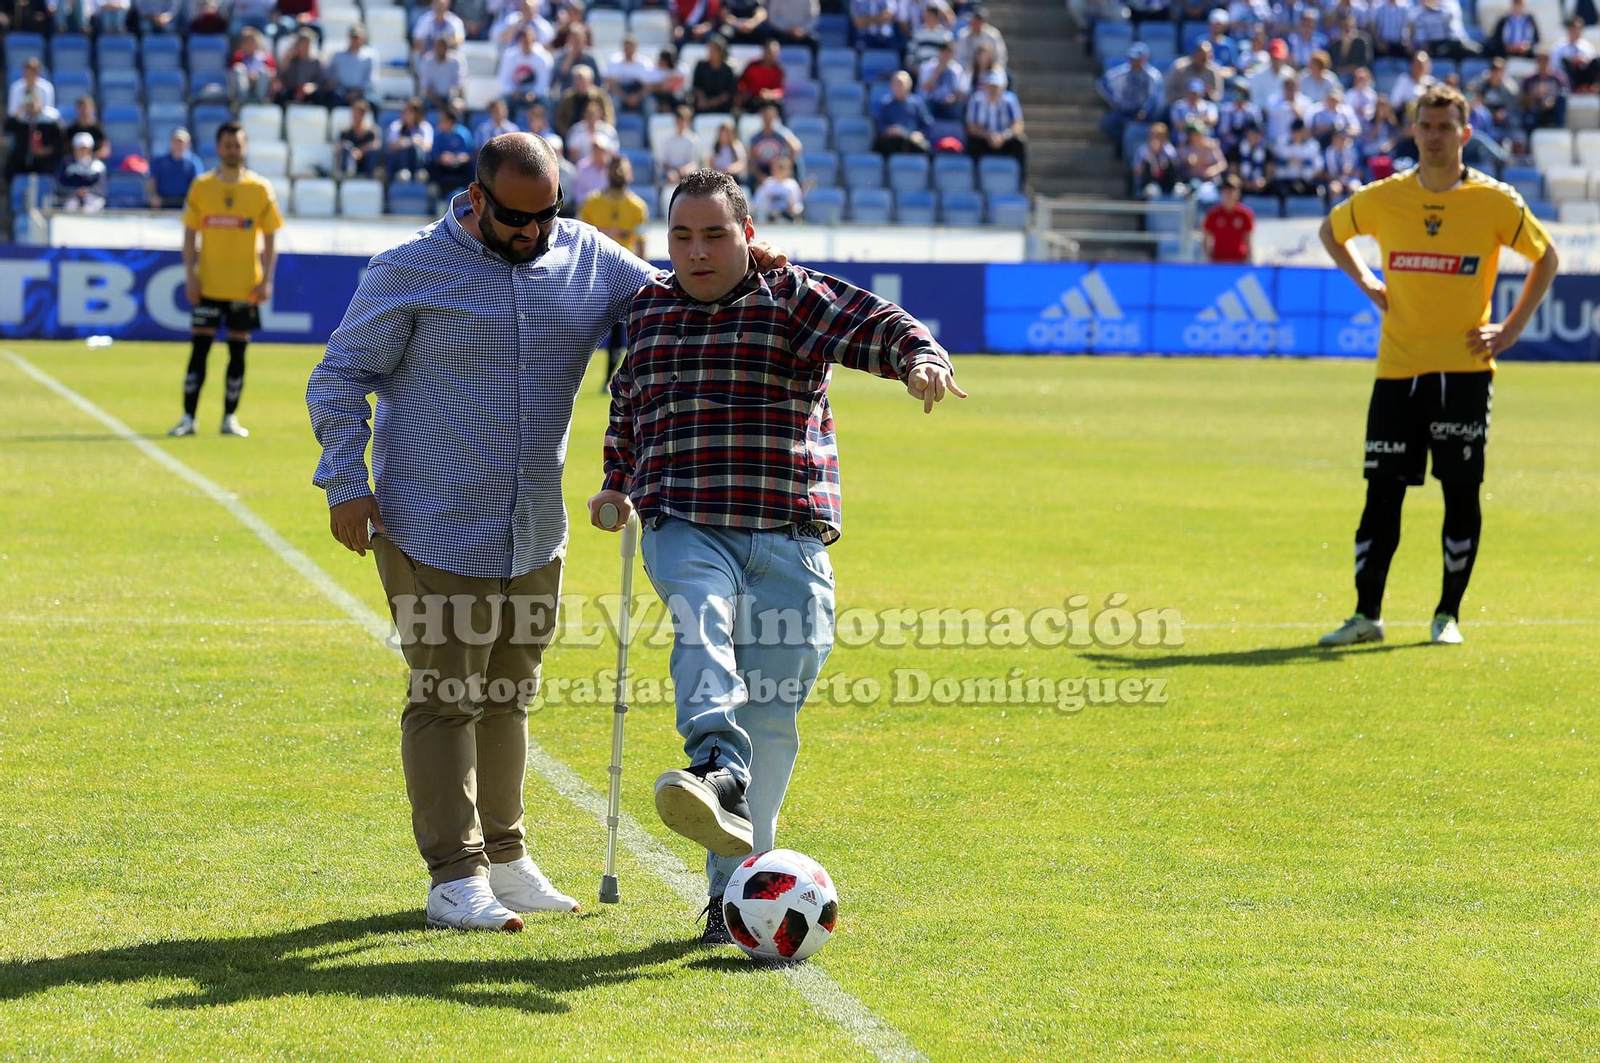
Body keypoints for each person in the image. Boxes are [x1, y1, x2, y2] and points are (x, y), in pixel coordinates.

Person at [305, 134, 787, 932]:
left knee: (508, 696)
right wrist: (346, 483)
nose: (533, 232)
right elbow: (339, 376)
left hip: (534, 529)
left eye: (547, 216)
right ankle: (454, 875)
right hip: (431, 521)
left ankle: (505, 855)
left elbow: (675, 295)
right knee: (446, 697)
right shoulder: (408, 268)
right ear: (477, 198)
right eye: (516, 218)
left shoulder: (587, 255)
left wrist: (743, 261)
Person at [589, 167, 965, 945]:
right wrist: (616, 481)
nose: (697, 251)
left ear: (747, 235)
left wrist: (920, 361)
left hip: (791, 533)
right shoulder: (649, 310)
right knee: (701, 623)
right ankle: (716, 760)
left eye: (714, 234)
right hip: (685, 518)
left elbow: (881, 325)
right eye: (682, 236)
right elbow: (629, 405)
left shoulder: (791, 296)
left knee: (772, 717)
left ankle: (735, 896)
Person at [1316, 84, 1560, 648]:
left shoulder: (1494, 200)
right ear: (1414, 131)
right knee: (1381, 494)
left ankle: (1447, 614)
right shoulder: (1385, 197)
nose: (1434, 137)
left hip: (1464, 371)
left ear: (1465, 134)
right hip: (1397, 370)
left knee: (1461, 492)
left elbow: (1546, 257)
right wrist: (1368, 282)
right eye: (1426, 126)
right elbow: (1331, 232)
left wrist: (1510, 330)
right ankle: (1366, 616)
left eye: (1446, 127)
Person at [168, 122, 283, 439]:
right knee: (199, 350)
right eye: (228, 145)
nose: (233, 150)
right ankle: (188, 417)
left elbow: (271, 238)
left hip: (244, 287)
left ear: (245, 148)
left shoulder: (260, 189)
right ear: (218, 148)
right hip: (208, 284)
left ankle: (229, 418)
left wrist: (266, 280)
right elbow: (189, 235)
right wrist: (190, 276)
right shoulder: (202, 186)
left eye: (238, 145)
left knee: (238, 353)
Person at [578, 154, 648, 386]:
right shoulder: (592, 202)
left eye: (622, 168)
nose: (618, 173)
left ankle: (611, 379)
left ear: (630, 174)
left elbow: (641, 244)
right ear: (607, 172)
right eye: (614, 168)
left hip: (624, 277)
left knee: (622, 332)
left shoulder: (638, 207)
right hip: (595, 276)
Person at [1097, 42, 1164, 151]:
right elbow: (1103, 83)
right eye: (1132, 58)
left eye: (1137, 59)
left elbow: (1154, 96)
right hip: (1124, 109)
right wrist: (1113, 100)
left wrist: (1145, 111)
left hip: (1144, 112)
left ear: (1144, 58)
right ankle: (1120, 146)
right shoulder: (1123, 71)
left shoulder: (1153, 75)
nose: (1134, 61)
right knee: (1107, 124)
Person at [965, 68, 1026, 174]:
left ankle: (1020, 179)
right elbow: (971, 127)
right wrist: (988, 136)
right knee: (972, 143)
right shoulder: (976, 100)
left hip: (1004, 140)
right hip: (984, 139)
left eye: (995, 86)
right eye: (990, 85)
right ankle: (975, 178)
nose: (992, 89)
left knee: (1020, 142)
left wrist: (1003, 136)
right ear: (985, 86)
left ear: (1002, 87)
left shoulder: (1010, 101)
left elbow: (1018, 125)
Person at [872, 71, 933, 155]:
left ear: (909, 85)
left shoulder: (917, 103)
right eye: (895, 83)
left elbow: (927, 124)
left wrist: (920, 134)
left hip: (911, 139)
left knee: (924, 147)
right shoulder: (886, 104)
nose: (897, 87)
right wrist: (889, 130)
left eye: (900, 83)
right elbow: (880, 124)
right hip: (893, 140)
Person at [1202, 174, 1254, 262]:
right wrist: (1209, 259)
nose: (1229, 194)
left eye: (1232, 190)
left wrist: (1249, 260)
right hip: (1218, 261)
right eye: (1226, 190)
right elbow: (1205, 239)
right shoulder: (1213, 214)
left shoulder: (1245, 214)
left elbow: (1248, 240)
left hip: (1238, 261)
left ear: (1238, 192)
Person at [147, 128, 203, 207]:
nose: (178, 145)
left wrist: (192, 199)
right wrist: (153, 196)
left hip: (185, 202)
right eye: (175, 141)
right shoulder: (159, 161)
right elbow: (152, 180)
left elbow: (197, 183)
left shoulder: (194, 162)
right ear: (171, 143)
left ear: (188, 144)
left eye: (181, 142)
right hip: (163, 201)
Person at [326, 23, 378, 107]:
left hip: (361, 92)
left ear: (363, 39)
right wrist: (332, 82)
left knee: (374, 103)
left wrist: (357, 92)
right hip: (342, 90)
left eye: (357, 37)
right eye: (352, 37)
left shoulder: (370, 56)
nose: (355, 40)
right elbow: (330, 72)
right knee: (332, 98)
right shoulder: (338, 55)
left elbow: (371, 79)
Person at [747, 102, 803, 179]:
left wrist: (787, 166)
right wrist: (761, 177)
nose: (768, 120)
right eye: (765, 117)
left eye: (770, 117)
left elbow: (796, 148)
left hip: (779, 166)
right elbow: (751, 160)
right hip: (763, 168)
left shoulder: (783, 133)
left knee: (796, 165)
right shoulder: (755, 138)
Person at [56, 131, 107, 213]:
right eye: (80, 148)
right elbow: (59, 185)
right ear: (74, 148)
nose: (83, 151)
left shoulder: (98, 165)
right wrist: (74, 191)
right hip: (69, 198)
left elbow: (101, 188)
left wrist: (87, 191)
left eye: (85, 148)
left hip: (93, 198)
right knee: (70, 206)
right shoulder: (65, 164)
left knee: (91, 207)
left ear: (91, 148)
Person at [386, 97, 435, 182]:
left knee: (417, 149)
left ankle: (419, 172)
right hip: (399, 161)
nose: (406, 114)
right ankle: (403, 171)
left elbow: (428, 147)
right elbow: (390, 146)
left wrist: (418, 142)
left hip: (419, 160)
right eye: (405, 112)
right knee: (404, 148)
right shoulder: (396, 125)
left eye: (410, 112)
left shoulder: (425, 127)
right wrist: (402, 142)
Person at [655, 103, 704, 184]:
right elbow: (662, 162)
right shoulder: (666, 139)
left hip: (687, 175)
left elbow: (694, 163)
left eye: (683, 121)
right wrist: (672, 172)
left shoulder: (694, 139)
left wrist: (682, 172)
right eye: (679, 120)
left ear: (688, 122)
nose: (681, 124)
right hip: (669, 174)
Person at [692, 38, 738, 114]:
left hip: (722, 106)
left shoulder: (728, 70)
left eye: (713, 50)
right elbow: (696, 86)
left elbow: (729, 92)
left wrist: (713, 102)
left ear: (721, 52)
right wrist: (702, 99)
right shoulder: (701, 66)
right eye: (710, 50)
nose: (710, 52)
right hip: (702, 105)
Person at [751, 154, 804, 220]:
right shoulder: (768, 183)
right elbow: (757, 202)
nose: (778, 171)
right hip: (769, 217)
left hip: (787, 217)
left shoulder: (792, 185)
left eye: (781, 169)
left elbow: (798, 205)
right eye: (777, 168)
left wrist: (792, 208)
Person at [338, 99, 382, 177]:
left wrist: (361, 151)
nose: (354, 116)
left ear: (364, 114)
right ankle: (347, 175)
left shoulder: (372, 131)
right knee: (346, 147)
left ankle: (371, 178)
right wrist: (352, 151)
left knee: (372, 151)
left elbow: (376, 145)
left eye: (358, 113)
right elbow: (339, 146)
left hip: (366, 165)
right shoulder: (346, 132)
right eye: (353, 112)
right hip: (350, 163)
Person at [64, 96, 110, 163]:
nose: (83, 111)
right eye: (81, 108)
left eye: (85, 108)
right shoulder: (71, 130)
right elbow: (65, 150)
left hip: (94, 164)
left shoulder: (98, 129)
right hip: (74, 164)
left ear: (92, 109)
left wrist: (90, 158)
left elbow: (105, 150)